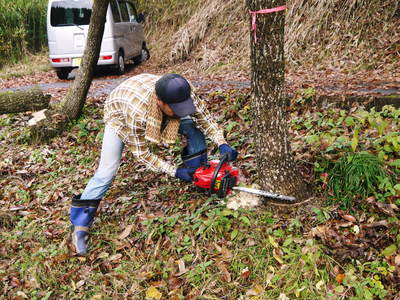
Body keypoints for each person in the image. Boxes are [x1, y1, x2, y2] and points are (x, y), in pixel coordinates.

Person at [70, 73, 238, 255]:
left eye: (184, 106)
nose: (182, 111)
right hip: (119, 112)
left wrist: (222, 142)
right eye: (176, 108)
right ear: (160, 102)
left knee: (192, 127)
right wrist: (175, 171)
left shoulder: (183, 90)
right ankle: (80, 226)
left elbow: (204, 118)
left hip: (147, 96)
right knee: (107, 171)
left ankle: (199, 176)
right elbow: (142, 154)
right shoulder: (136, 114)